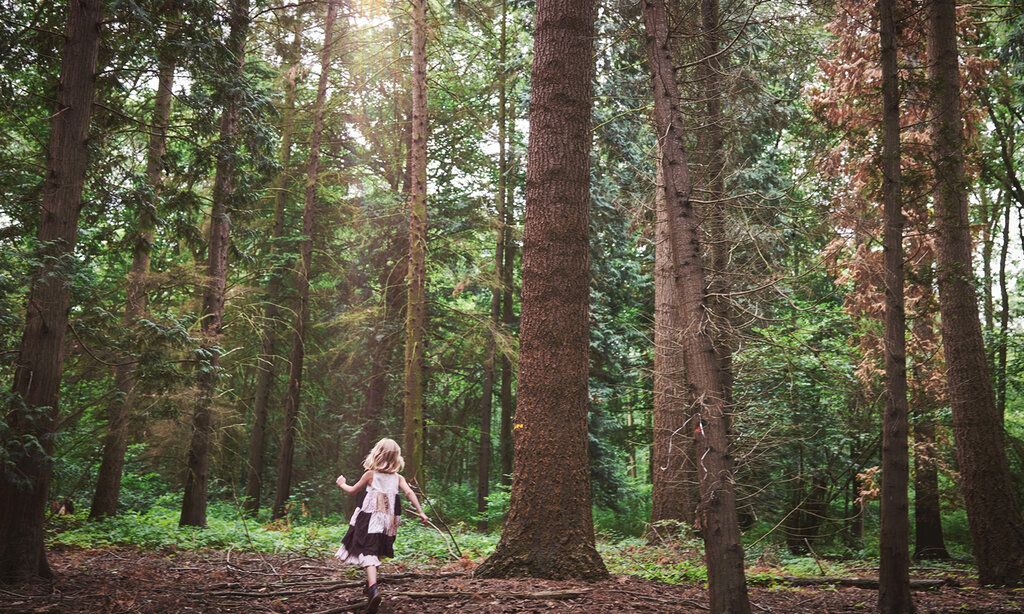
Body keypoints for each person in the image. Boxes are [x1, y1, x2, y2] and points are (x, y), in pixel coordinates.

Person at [335, 438, 429, 613]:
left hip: (370, 517)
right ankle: (369, 585)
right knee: (376, 549)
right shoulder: (398, 478)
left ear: (377, 454)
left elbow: (353, 490)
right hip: (390, 520)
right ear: (396, 458)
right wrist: (421, 512)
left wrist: (341, 484)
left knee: (367, 550)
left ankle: (373, 589)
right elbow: (409, 493)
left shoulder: (370, 474)